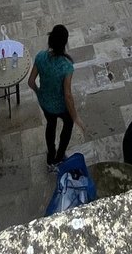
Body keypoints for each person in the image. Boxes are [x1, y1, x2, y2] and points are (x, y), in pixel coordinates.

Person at [28, 24, 84, 169]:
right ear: (65, 43)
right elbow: (67, 95)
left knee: (50, 126)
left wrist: (39, 93)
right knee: (68, 125)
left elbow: (31, 82)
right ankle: (59, 157)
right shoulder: (66, 66)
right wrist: (75, 117)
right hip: (61, 106)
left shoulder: (40, 57)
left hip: (45, 104)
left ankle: (50, 156)